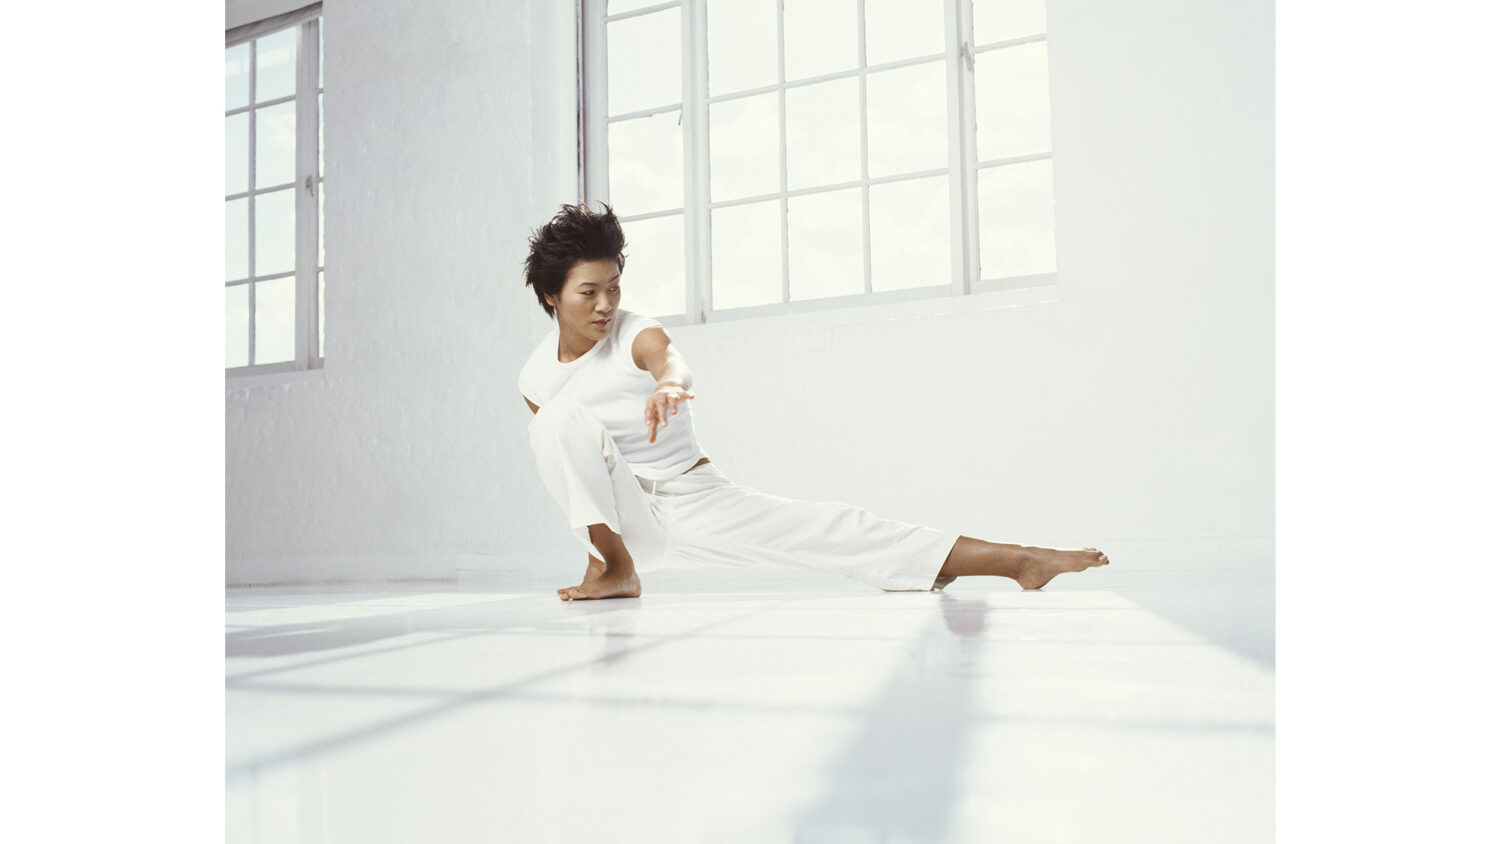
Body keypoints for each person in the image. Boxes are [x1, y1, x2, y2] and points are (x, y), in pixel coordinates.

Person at [519, 202, 1109, 601]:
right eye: (588, 293)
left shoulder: (634, 330)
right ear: (552, 296)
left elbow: (665, 355)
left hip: (691, 499)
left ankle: (1019, 562)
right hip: (623, 525)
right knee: (554, 422)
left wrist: (670, 383)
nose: (605, 306)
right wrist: (604, 539)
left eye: (614, 288)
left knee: (837, 529)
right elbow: (567, 465)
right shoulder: (535, 376)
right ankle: (611, 566)